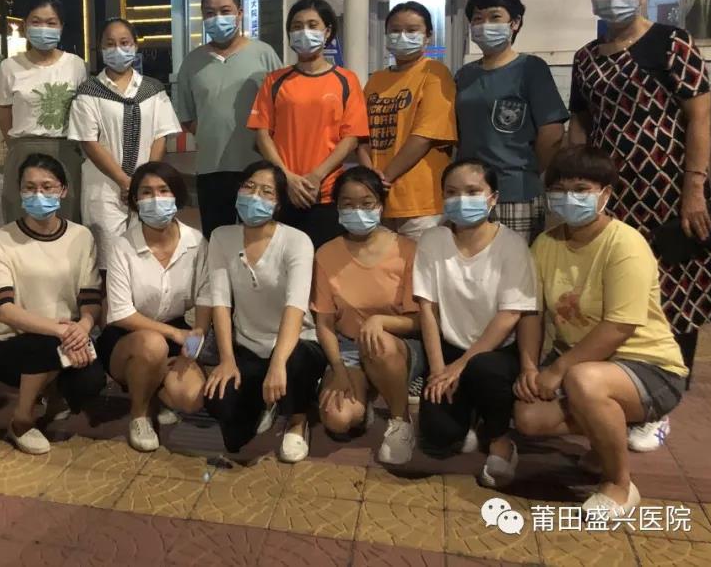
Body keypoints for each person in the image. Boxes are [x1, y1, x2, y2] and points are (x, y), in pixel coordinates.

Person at [571, 0, 711, 450]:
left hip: (668, 193)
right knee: (621, 293)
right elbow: (581, 124)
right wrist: (573, 181)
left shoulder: (671, 42)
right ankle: (626, 388)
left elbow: (700, 116)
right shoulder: (586, 58)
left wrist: (694, 188)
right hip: (612, 196)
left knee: (676, 297)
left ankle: (663, 405)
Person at [515, 145, 688, 518]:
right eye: (559, 189)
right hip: (584, 364)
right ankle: (605, 437)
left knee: (584, 381)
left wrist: (558, 369)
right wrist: (529, 366)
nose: (569, 198)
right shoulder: (545, 244)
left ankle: (619, 485)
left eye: (581, 189)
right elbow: (532, 312)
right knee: (529, 417)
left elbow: (620, 325)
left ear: (606, 193)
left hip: (648, 365)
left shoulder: (625, 243)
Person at [413, 159, 538, 488]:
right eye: (452, 192)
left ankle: (499, 438)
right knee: (438, 437)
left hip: (494, 354)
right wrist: (438, 369)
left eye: (472, 192)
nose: (461, 200)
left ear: (492, 198)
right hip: (449, 349)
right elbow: (427, 308)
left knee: (483, 369)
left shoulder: (512, 245)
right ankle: (469, 412)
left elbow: (510, 314)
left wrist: (462, 365)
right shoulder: (432, 240)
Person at [200, 161, 326, 463]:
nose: (255, 196)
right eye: (249, 187)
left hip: (296, 344)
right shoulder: (221, 237)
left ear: (278, 204)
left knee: (294, 365)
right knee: (223, 408)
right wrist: (227, 360)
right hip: (248, 346)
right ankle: (267, 401)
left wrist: (278, 363)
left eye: (267, 192)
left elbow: (295, 306)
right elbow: (220, 302)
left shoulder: (296, 241)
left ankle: (297, 420)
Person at [0, 153, 106, 455]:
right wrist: (60, 331)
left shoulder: (81, 236)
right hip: (17, 342)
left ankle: (51, 393)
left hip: (67, 338)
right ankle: (22, 420)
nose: (38, 194)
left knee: (90, 382)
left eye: (47, 187)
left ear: (63, 190)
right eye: (30, 187)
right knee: (42, 348)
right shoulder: (2, 240)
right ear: (20, 191)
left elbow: (91, 298)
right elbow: (4, 310)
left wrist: (83, 327)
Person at [311, 166, 424, 464]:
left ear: (381, 205)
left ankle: (400, 420)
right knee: (337, 418)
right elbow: (324, 323)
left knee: (380, 343)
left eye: (366, 203)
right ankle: (366, 398)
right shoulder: (326, 254)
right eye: (347, 204)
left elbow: (420, 320)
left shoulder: (407, 250)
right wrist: (337, 368)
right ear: (337, 208)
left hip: (398, 346)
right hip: (348, 348)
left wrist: (380, 322)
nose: (357, 211)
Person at [96, 161, 211, 452]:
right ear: (135, 200)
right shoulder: (123, 246)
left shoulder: (196, 242)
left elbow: (205, 297)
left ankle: (152, 384)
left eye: (163, 190)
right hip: (126, 336)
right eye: (146, 192)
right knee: (152, 344)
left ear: (177, 196)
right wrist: (174, 335)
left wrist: (194, 339)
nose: (155, 199)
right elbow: (121, 313)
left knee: (191, 398)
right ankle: (140, 415)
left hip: (176, 331)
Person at [249, 0, 370, 249]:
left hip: (326, 194)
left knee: (324, 262)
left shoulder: (346, 80)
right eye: (297, 26)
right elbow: (262, 134)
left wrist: (316, 177)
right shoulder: (274, 81)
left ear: (328, 31)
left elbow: (351, 138)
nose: (304, 31)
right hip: (282, 192)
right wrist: (287, 178)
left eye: (312, 25)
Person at [454, 0, 569, 243]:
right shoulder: (464, 75)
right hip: (470, 193)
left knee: (514, 262)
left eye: (495, 17)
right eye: (477, 19)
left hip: (516, 192)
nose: (485, 25)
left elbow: (552, 133)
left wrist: (528, 170)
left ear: (514, 23)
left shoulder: (530, 68)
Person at [68, 18, 180, 268]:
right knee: (107, 260)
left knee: (146, 255)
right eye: (110, 43)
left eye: (124, 42)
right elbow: (89, 141)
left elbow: (160, 135)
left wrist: (145, 180)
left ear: (135, 45)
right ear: (100, 48)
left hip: (146, 189)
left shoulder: (153, 89)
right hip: (104, 188)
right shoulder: (89, 92)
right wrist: (125, 182)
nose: (117, 49)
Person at [175, 0, 282, 237]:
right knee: (217, 237)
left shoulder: (263, 54)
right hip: (211, 168)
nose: (217, 18)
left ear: (240, 13)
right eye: (210, 13)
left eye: (225, 11)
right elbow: (187, 116)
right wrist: (213, 135)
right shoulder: (192, 62)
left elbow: (281, 108)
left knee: (260, 236)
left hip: (258, 166)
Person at [359, 2, 457, 240]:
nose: (402, 36)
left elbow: (424, 135)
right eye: (395, 30)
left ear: (428, 36)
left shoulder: (435, 72)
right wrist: (370, 177)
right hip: (377, 200)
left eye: (412, 30)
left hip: (420, 201)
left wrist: (384, 178)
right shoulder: (375, 80)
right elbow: (361, 134)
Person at [0, 0, 88, 224]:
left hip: (65, 151)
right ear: (24, 25)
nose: (43, 28)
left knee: (67, 216)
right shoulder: (9, 67)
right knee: (20, 215)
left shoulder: (76, 65)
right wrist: (20, 147)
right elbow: (5, 116)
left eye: (51, 22)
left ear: (61, 26)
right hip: (23, 151)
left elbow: (83, 112)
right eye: (36, 22)